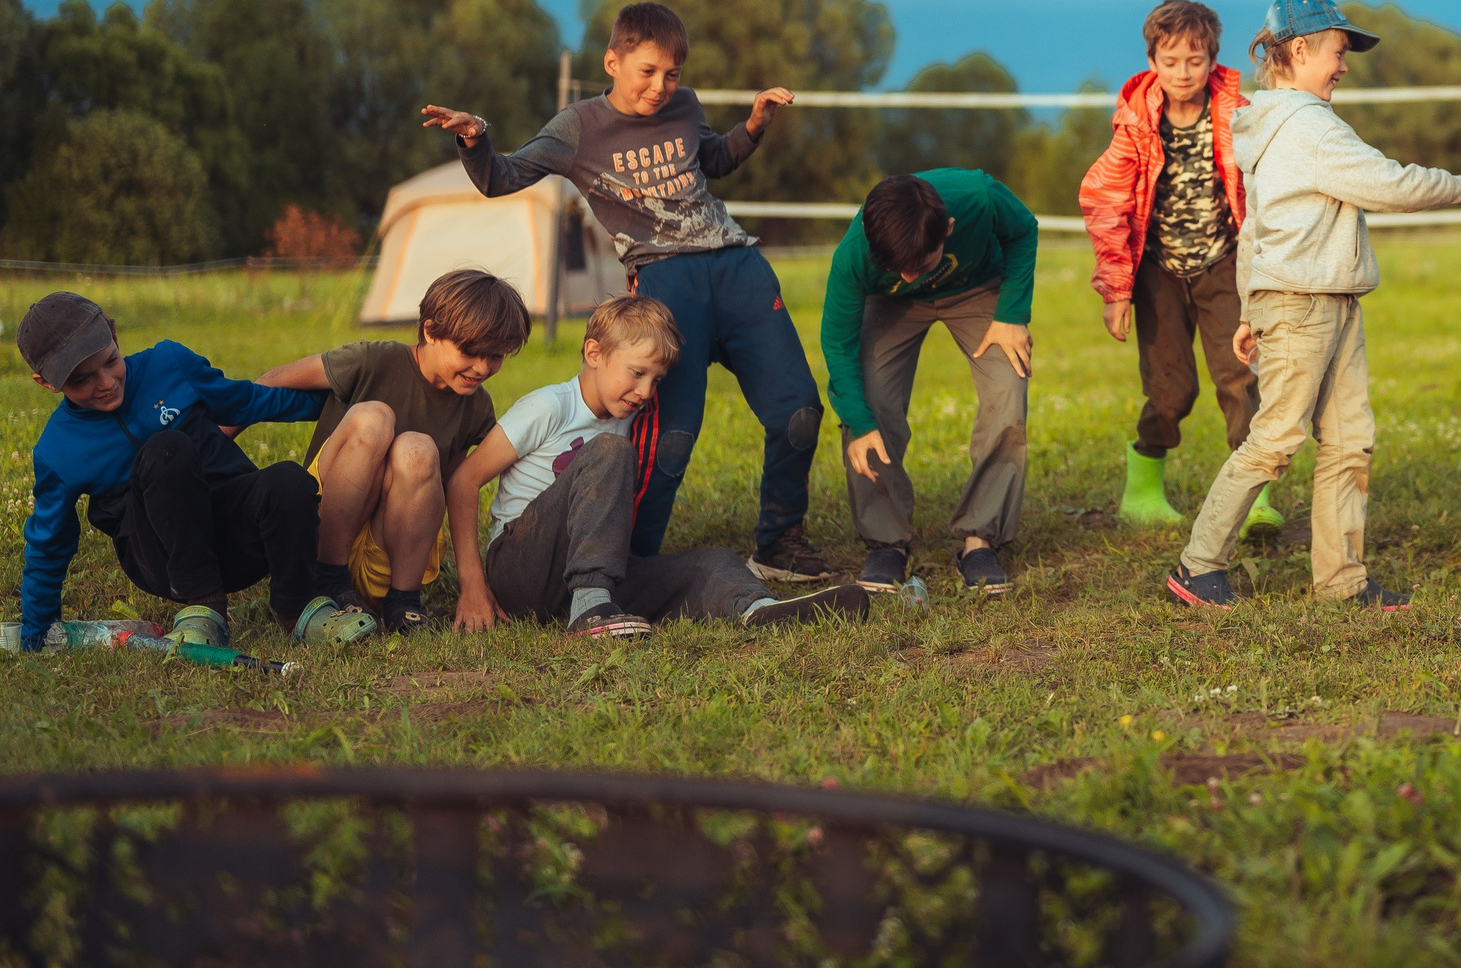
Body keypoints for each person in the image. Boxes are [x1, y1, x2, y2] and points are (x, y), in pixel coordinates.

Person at [422, 0, 831, 586]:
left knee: (799, 413)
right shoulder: (578, 128)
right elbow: (500, 178)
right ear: (613, 62)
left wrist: (755, 124)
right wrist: (474, 138)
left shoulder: (685, 106)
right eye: (647, 72)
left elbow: (711, 160)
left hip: (738, 268)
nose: (662, 87)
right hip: (666, 282)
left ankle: (781, 542)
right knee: (671, 437)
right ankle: (626, 561)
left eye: (673, 74)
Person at [1164, 0, 1461, 611]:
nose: (1343, 66)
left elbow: (1256, 228)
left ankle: (1341, 582)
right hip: (1302, 304)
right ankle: (1198, 565)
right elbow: (1388, 183)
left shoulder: (1279, 125)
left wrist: (1245, 308)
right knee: (1275, 439)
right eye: (1338, 52)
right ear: (1299, 50)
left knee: (1350, 440)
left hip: (1332, 300)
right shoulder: (1308, 126)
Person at [444, 296, 865, 638]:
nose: (645, 391)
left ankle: (759, 609)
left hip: (584, 576)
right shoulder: (549, 406)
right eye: (637, 372)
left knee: (709, 562)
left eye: (656, 380)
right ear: (594, 353)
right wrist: (473, 584)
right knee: (609, 450)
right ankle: (591, 608)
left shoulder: (629, 415)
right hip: (520, 570)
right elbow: (465, 480)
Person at [15, 291, 374, 653]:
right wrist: (36, 633)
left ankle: (298, 610)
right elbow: (49, 543)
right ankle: (204, 609)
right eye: (82, 380)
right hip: (164, 560)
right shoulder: (58, 450)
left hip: (237, 539)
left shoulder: (169, 365)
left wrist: (337, 405)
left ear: (114, 334)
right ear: (46, 382)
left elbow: (248, 400)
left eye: (111, 360)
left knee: (289, 480)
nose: (106, 382)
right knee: (166, 449)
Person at [1079, 0, 1273, 532]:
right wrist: (1116, 289)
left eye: (1194, 61)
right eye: (1170, 62)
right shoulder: (1136, 125)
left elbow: (1267, 184)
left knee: (1239, 377)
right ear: (1152, 63)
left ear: (1212, 61)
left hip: (1222, 265)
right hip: (1157, 272)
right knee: (1171, 391)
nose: (1183, 73)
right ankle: (1141, 491)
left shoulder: (1239, 116)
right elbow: (1106, 201)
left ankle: (1253, 498)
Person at [269, 268, 531, 635]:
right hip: (319, 536)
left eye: (496, 356)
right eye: (471, 351)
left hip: (387, 553)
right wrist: (215, 447)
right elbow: (271, 383)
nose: (483, 368)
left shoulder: (475, 406)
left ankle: (403, 603)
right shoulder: (374, 360)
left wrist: (474, 584)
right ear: (430, 330)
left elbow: (460, 488)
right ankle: (326, 582)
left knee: (419, 449)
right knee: (374, 419)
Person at [822, 169, 1039, 597]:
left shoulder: (979, 198)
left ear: (950, 230)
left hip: (976, 290)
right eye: (895, 267)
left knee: (1007, 392)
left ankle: (980, 541)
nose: (908, 275)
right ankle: (887, 543)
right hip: (891, 307)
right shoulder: (855, 254)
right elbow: (838, 342)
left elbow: (1024, 230)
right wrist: (859, 422)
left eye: (918, 265)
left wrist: (1012, 313)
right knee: (869, 402)